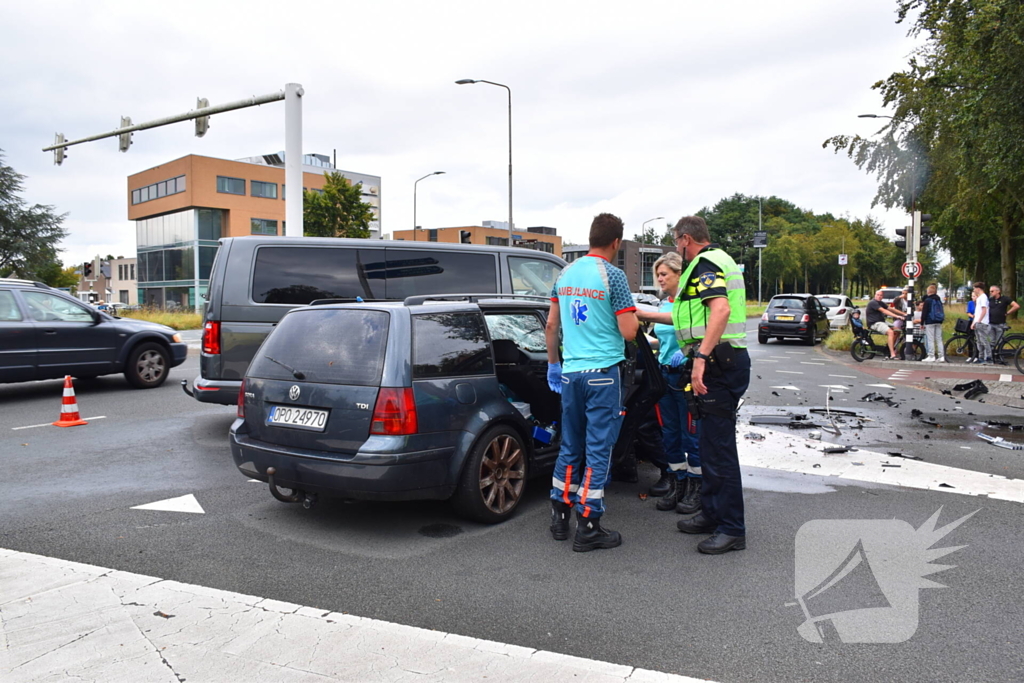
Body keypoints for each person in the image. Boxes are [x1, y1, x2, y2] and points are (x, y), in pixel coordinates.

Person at [545, 213, 639, 552]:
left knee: (570, 446)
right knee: (598, 450)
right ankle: (588, 525)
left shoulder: (564, 274)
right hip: (601, 375)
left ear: (590, 238)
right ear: (616, 242)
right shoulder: (612, 276)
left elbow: (551, 326)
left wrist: (554, 365)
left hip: (570, 375)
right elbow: (629, 331)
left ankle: (560, 516)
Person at [665, 215, 750, 554]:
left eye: (676, 242)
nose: (677, 248)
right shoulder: (716, 260)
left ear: (686, 239)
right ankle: (713, 514)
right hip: (720, 363)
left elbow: (721, 310)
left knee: (719, 448)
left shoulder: (706, 263)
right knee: (710, 445)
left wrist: (700, 357)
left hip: (717, 365)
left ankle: (732, 529)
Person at [638, 252, 702, 515]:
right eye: (658, 275)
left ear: (679, 274)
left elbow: (700, 332)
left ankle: (697, 488)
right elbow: (662, 340)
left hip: (684, 375)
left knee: (691, 436)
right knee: (670, 434)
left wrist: (687, 354)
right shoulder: (665, 304)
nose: (660, 279)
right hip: (664, 374)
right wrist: (645, 343)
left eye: (664, 274)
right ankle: (678, 484)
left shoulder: (692, 303)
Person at [865, 290, 907, 360]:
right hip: (875, 323)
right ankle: (892, 353)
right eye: (878, 295)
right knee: (891, 332)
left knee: (898, 330)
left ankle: (888, 347)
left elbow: (891, 309)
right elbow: (884, 311)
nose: (879, 296)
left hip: (882, 322)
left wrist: (904, 314)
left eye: (881, 295)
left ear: (882, 296)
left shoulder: (881, 303)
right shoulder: (873, 303)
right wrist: (897, 316)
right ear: (875, 295)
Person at [988, 284, 1019, 365]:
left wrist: (1007, 313)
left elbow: (1016, 306)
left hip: (1000, 324)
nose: (991, 293)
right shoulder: (990, 300)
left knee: (1000, 342)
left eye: (992, 291)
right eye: (990, 291)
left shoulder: (1005, 299)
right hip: (991, 323)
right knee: (992, 342)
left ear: (998, 291)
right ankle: (992, 358)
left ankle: (1000, 358)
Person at [921, 283, 946, 362]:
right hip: (938, 321)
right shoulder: (938, 299)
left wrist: (922, 323)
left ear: (928, 291)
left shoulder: (928, 300)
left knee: (930, 339)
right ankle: (941, 356)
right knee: (939, 339)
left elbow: (924, 312)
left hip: (930, 321)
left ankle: (931, 356)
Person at [970, 282, 992, 364]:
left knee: (984, 341)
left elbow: (984, 310)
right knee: (979, 341)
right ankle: (981, 357)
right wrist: (974, 322)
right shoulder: (979, 298)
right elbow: (977, 312)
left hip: (982, 322)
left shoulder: (983, 297)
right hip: (978, 322)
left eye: (974, 288)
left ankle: (989, 357)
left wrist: (979, 320)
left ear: (978, 289)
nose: (974, 290)